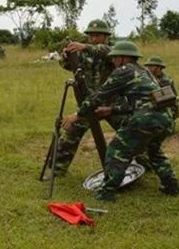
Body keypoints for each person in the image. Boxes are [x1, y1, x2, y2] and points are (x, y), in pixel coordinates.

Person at [61, 41, 179, 202]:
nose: (113, 62)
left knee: (116, 151)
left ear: (124, 58)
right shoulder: (144, 71)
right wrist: (111, 110)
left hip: (145, 119)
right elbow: (141, 99)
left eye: (115, 58)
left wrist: (77, 115)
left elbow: (99, 96)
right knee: (154, 151)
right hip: (165, 118)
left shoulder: (123, 71)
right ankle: (171, 186)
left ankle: (107, 192)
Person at [46, 19, 123, 178]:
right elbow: (67, 66)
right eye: (91, 36)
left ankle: (147, 164)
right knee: (71, 131)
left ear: (106, 36)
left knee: (132, 131)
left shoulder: (115, 50)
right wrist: (67, 57)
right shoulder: (83, 52)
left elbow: (107, 53)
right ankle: (57, 169)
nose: (94, 39)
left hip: (112, 104)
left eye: (97, 35)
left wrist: (85, 47)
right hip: (90, 104)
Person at [144, 55, 179, 122]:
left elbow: (165, 99)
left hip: (166, 107)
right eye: (148, 66)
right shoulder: (147, 77)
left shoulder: (166, 81)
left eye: (151, 66)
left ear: (159, 67)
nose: (148, 68)